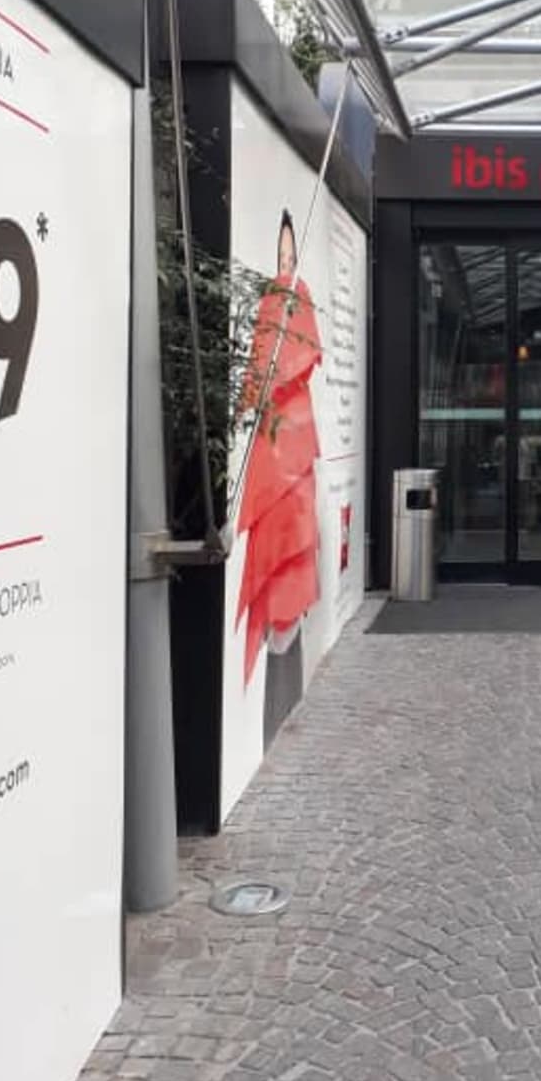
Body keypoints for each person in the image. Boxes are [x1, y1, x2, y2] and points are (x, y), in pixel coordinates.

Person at [234, 210, 322, 747]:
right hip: (274, 448)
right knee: (275, 549)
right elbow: (256, 376)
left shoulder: (296, 303)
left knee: (291, 549)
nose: (286, 267)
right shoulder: (271, 306)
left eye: (293, 257)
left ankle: (286, 704)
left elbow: (300, 354)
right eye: (281, 257)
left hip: (293, 445)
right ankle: (278, 712)